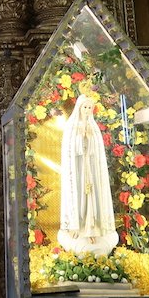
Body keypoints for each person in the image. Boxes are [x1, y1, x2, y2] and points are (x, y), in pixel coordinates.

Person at [57, 95, 118, 256]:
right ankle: (76, 226)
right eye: (85, 107)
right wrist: (81, 136)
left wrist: (88, 137)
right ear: (79, 108)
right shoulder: (72, 127)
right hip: (77, 171)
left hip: (91, 170)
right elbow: (72, 151)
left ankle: (92, 229)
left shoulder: (94, 127)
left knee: (92, 197)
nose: (87, 110)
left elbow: (95, 152)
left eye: (90, 108)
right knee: (78, 197)